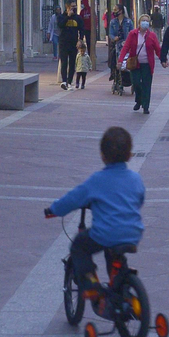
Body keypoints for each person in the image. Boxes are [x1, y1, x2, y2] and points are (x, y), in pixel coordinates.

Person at [44, 126, 145, 308]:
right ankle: (121, 287)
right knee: (113, 254)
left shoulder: (97, 180)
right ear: (130, 155)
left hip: (105, 234)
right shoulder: (135, 178)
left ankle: (90, 283)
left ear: (102, 156)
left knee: (79, 246)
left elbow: (72, 199)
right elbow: (140, 199)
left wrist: (54, 209)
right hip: (133, 233)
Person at [117, 13, 163, 115]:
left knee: (147, 85)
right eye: (143, 21)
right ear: (139, 23)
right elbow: (126, 47)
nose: (145, 23)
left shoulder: (152, 36)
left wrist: (163, 60)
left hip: (147, 64)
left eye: (147, 21)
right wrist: (120, 60)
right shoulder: (132, 34)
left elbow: (158, 49)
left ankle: (146, 106)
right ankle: (139, 100)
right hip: (135, 64)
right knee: (136, 83)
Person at [106, 7, 133, 95]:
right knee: (117, 62)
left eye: (116, 9)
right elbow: (110, 33)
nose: (114, 11)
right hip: (117, 45)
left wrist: (128, 41)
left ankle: (129, 80)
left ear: (121, 11)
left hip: (127, 45)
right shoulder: (113, 22)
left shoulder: (128, 22)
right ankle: (118, 81)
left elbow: (132, 33)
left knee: (127, 63)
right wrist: (114, 38)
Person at [57, 3, 83, 89]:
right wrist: (68, 16)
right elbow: (60, 25)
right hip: (63, 43)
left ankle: (69, 81)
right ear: (67, 7)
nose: (74, 8)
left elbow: (81, 29)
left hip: (73, 44)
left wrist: (80, 40)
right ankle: (64, 81)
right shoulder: (61, 17)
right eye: (72, 6)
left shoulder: (78, 18)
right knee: (64, 62)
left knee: (72, 63)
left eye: (75, 6)